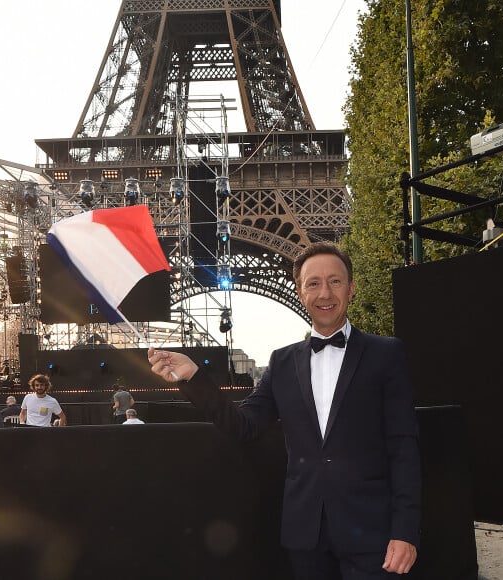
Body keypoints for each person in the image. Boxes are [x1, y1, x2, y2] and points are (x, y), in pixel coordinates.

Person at [148, 241, 421, 579]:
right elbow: (244, 425)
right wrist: (193, 377)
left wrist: (405, 530)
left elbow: (403, 446)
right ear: (300, 291)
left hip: (373, 532)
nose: (325, 293)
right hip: (305, 533)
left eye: (335, 281)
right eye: (313, 283)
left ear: (351, 289)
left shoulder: (386, 354)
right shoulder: (282, 361)